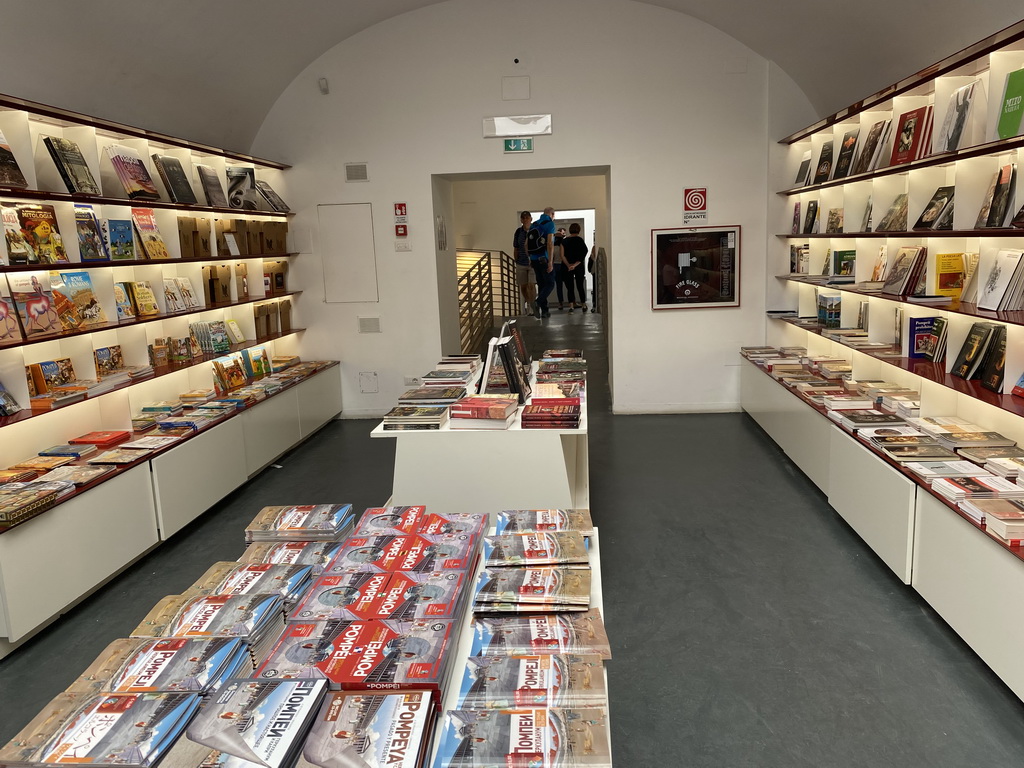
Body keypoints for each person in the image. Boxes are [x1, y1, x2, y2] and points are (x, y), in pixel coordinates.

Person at [528, 207, 556, 318]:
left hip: (534, 259)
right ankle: (537, 303)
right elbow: (550, 244)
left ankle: (544, 311)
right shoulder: (550, 224)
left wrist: (530, 258)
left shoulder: (534, 224)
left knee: (541, 284)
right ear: (552, 214)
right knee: (550, 283)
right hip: (543, 259)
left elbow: (527, 244)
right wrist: (550, 261)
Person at [561, 223, 588, 311]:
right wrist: (575, 265)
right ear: (579, 230)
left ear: (569, 230)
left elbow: (562, 255)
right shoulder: (580, 240)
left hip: (566, 266)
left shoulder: (564, 241)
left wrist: (569, 265)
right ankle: (583, 304)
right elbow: (584, 252)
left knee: (570, 287)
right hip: (578, 266)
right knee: (580, 285)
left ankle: (571, 306)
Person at [511, 211, 535, 315]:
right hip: (521, 262)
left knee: (531, 285)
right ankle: (528, 303)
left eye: (527, 218)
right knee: (523, 286)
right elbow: (516, 247)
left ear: (531, 218)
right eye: (523, 218)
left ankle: (532, 306)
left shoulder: (535, 230)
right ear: (521, 220)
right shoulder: (518, 232)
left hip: (533, 263)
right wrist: (516, 259)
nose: (525, 220)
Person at [553, 227, 567, 310]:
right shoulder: (564, 247)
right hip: (564, 265)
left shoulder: (553, 248)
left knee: (559, 286)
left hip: (555, 266)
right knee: (569, 284)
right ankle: (571, 302)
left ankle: (560, 303)